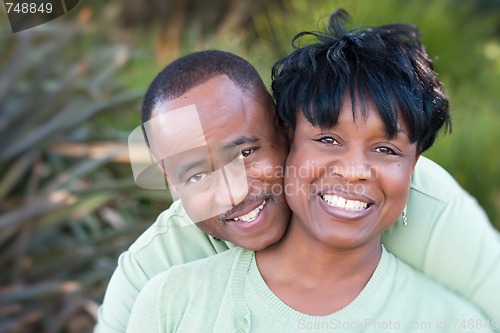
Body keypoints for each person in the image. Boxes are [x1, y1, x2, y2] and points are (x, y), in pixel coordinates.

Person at [95, 28, 500, 333]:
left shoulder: (429, 209)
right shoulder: (162, 280)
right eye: (198, 174)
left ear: (285, 132)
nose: (232, 190)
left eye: (245, 153)